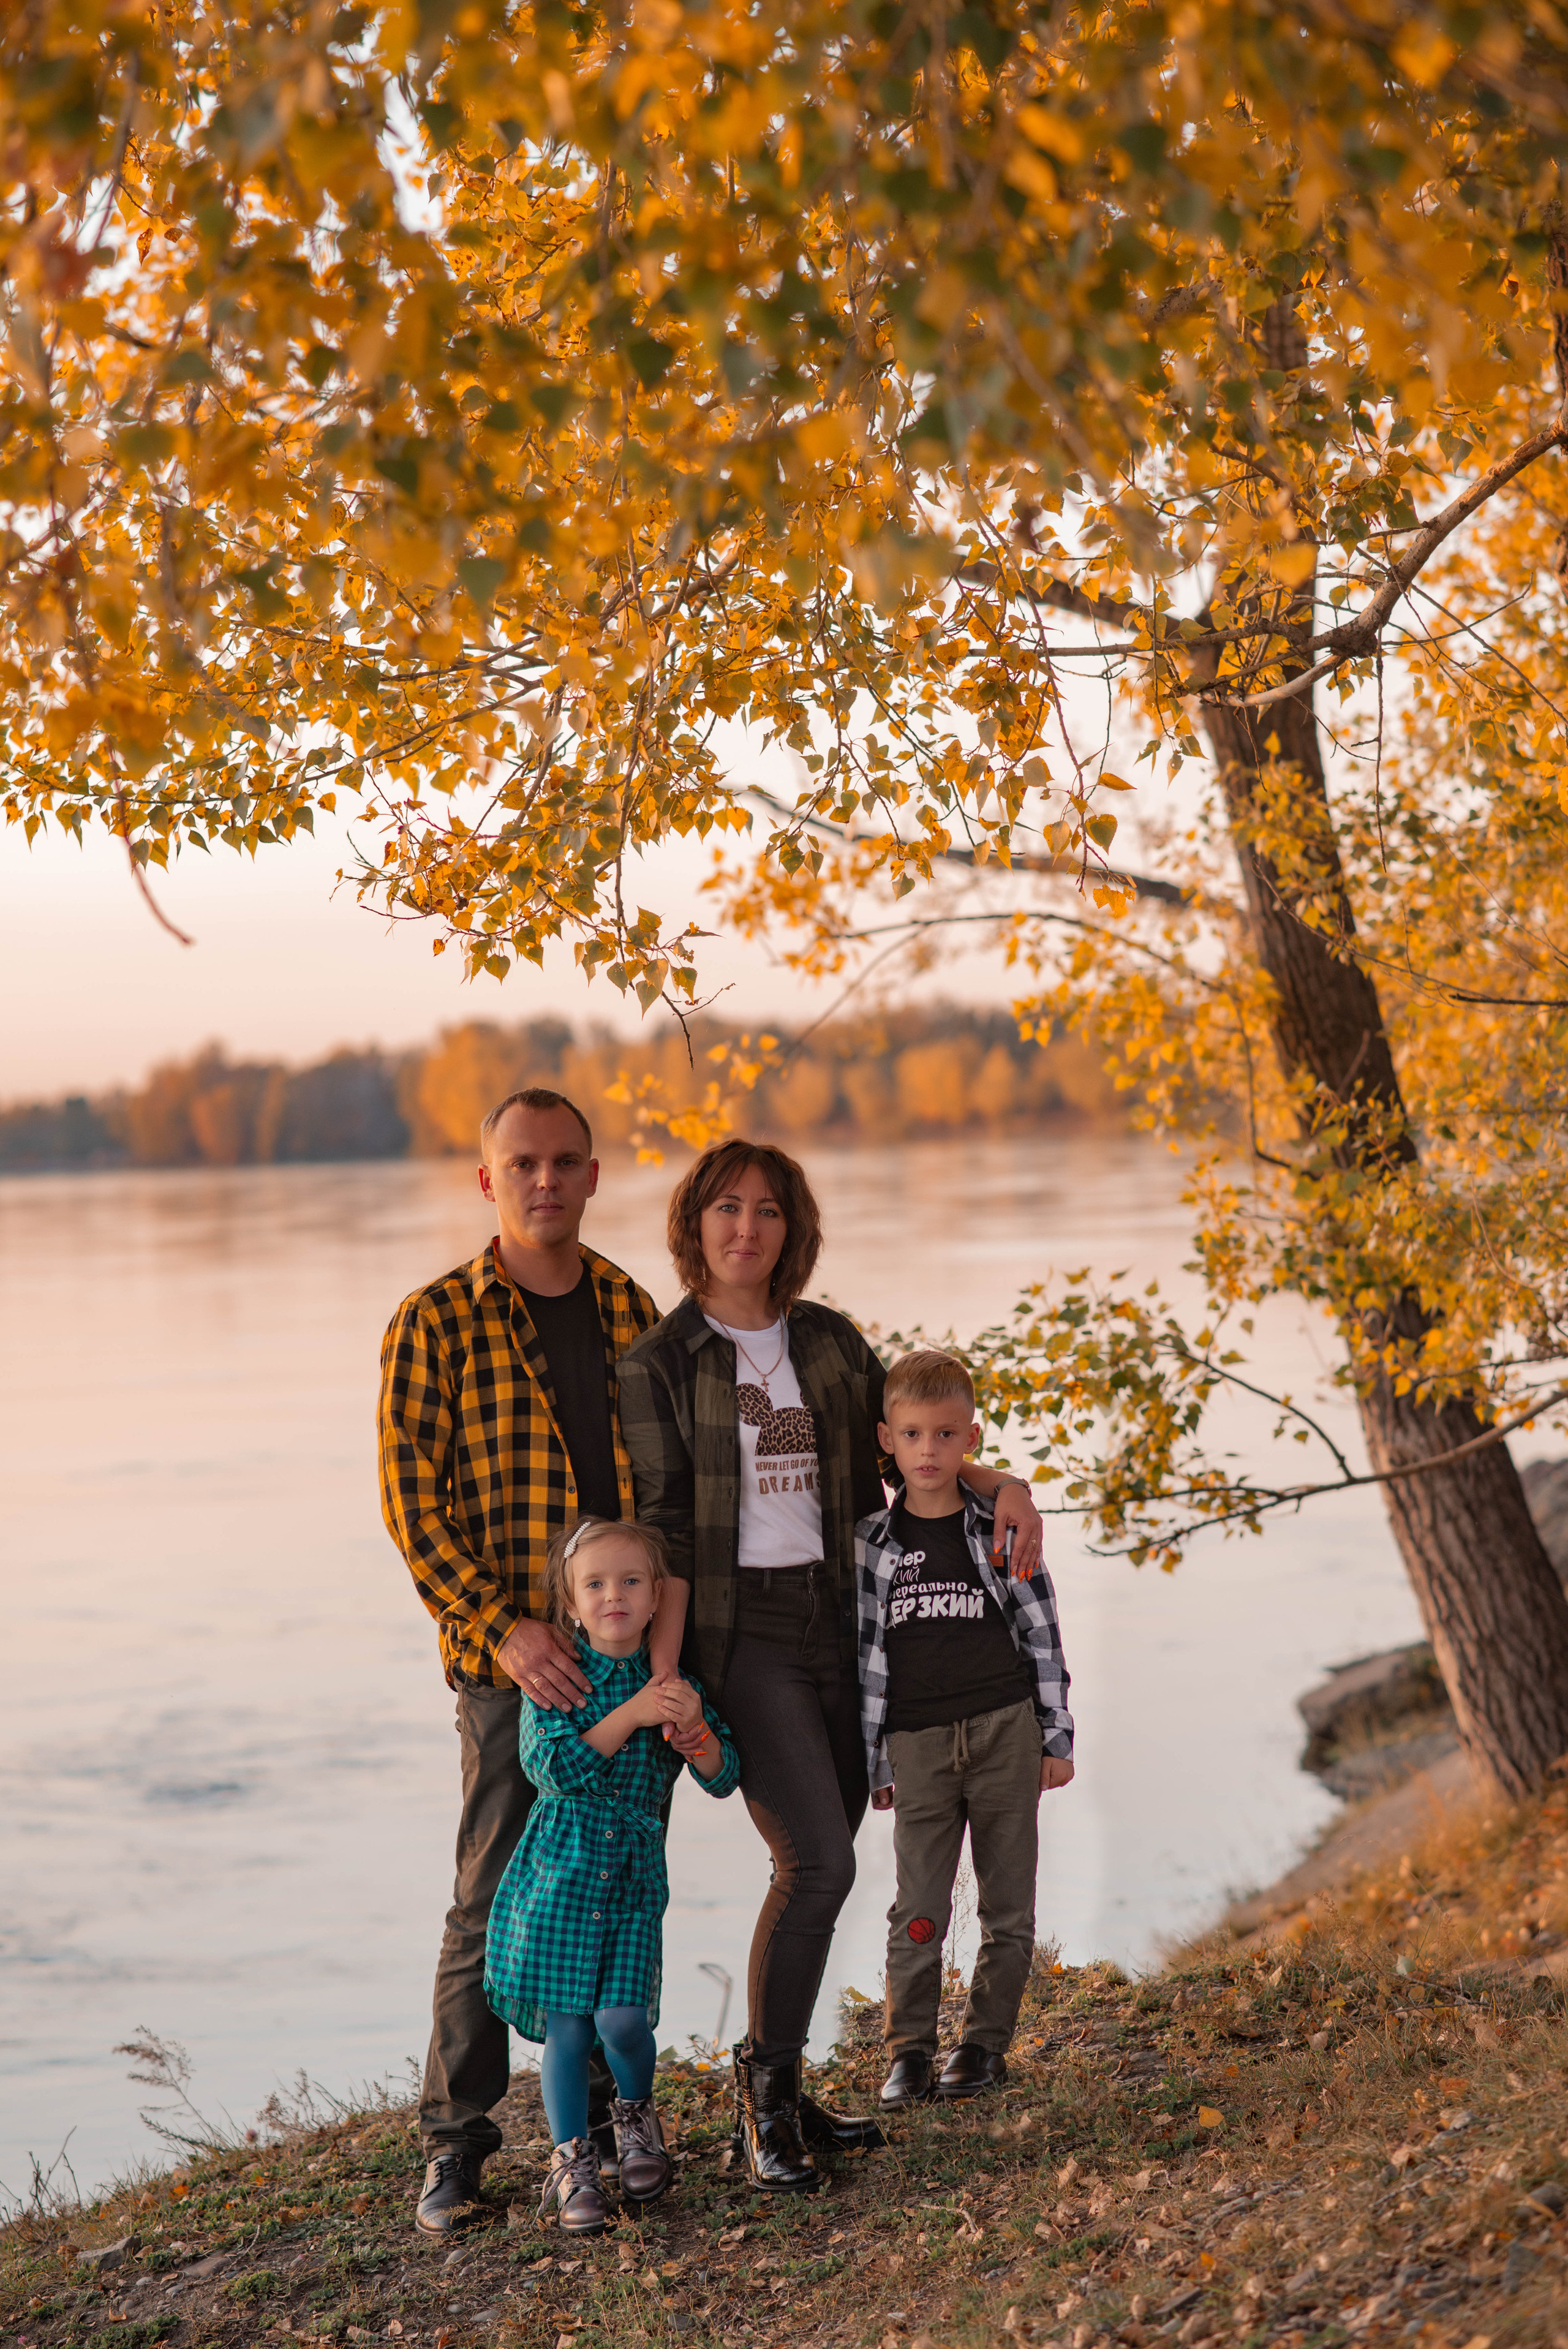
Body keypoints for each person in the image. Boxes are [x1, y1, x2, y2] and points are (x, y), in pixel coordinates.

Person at [619, 1137, 1046, 2192]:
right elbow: (666, 1531)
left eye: (768, 1210)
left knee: (818, 1862)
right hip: (744, 1635)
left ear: (791, 1228)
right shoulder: (660, 1363)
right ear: (695, 1224)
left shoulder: (829, 1343)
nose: (746, 1229)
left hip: (850, 1623)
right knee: (820, 1861)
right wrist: (665, 1682)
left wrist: (1007, 1483)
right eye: (726, 1208)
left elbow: (910, 1451)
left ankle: (786, 2088)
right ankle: (764, 2107)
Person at [379, 1088, 660, 2236]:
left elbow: (671, 1486)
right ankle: (458, 2144)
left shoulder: (632, 1308)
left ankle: (592, 2127)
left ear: (593, 1176)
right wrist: (502, 1627)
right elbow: (413, 1504)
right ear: (487, 1181)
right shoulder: (435, 1319)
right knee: (495, 1895)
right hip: (510, 1671)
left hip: (624, 1662)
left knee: (608, 1891)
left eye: (565, 1162)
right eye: (522, 1164)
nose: (546, 1181)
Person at [486, 1515, 739, 2234]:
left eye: (630, 1581)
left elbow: (724, 1778)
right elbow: (553, 1767)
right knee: (567, 2030)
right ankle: (572, 2165)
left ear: (656, 1598)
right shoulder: (561, 1680)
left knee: (623, 2020)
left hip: (630, 1884)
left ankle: (634, 2116)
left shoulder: (671, 1685)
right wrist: (631, 1712)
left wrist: (697, 1736)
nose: (613, 1596)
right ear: (571, 1603)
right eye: (595, 1584)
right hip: (559, 1878)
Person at [856, 1348, 1075, 2111]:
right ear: (887, 1439)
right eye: (913, 1434)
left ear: (970, 1438)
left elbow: (1041, 1629)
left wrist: (1056, 1735)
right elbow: (867, 1662)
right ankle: (908, 2051)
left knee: (1007, 1906)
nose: (929, 1451)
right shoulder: (872, 1545)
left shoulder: (999, 1527)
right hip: (917, 1746)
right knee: (917, 1906)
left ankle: (982, 2046)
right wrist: (875, 1760)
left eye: (946, 1435)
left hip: (1003, 1731)